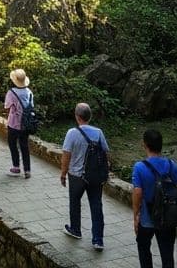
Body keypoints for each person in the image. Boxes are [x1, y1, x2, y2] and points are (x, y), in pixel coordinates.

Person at [60, 102, 110, 251]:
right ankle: (98, 239)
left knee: (75, 202)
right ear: (90, 116)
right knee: (96, 205)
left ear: (77, 116)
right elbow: (106, 154)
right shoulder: (98, 132)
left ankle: (75, 229)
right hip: (94, 175)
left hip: (76, 175)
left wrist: (63, 173)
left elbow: (66, 155)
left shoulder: (72, 133)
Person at [132, 129, 177, 268]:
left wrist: (136, 214)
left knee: (143, 248)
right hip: (167, 218)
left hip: (147, 218)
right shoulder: (171, 165)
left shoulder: (139, 167)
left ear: (145, 145)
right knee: (167, 254)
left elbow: (137, 192)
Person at [4, 67, 34, 178]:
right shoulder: (29, 92)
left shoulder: (11, 92)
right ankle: (27, 170)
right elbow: (31, 107)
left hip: (14, 123)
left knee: (12, 144)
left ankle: (16, 167)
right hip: (26, 124)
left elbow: (7, 107)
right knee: (24, 146)